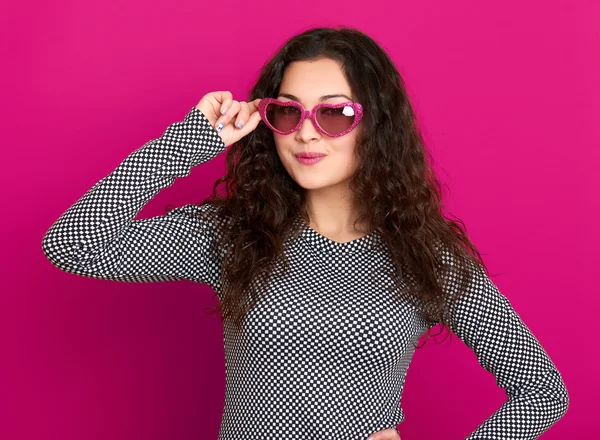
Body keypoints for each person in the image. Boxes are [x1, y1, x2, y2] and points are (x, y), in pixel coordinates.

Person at [41, 26, 569, 440]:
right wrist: (191, 140)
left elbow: (542, 389)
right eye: (288, 112)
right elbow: (73, 242)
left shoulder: (425, 255)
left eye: (336, 113)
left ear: (377, 125)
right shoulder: (235, 235)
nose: (307, 131)